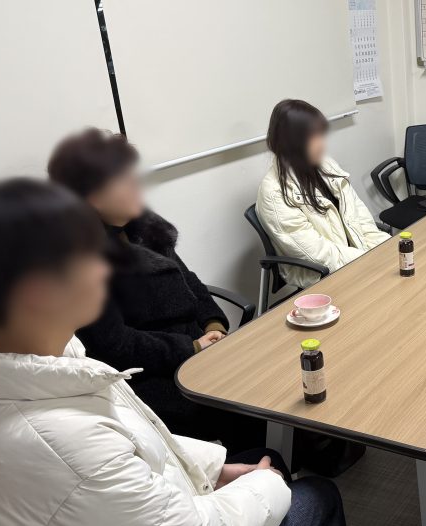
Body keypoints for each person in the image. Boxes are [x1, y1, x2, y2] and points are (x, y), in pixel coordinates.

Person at [0, 178, 346, 526]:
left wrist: (214, 468)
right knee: (317, 496)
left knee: (263, 454)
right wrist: (266, 486)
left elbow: (134, 446)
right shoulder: (70, 443)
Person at [48, 128, 268, 451]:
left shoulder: (143, 227)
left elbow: (190, 280)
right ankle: (245, 467)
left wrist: (213, 325)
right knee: (243, 403)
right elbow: (115, 345)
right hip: (152, 376)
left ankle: (266, 461)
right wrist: (191, 347)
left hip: (198, 351)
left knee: (261, 380)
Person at [257, 99, 390, 289]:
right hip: (324, 274)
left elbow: (360, 218)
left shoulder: (325, 164)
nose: (322, 143)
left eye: (321, 134)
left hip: (358, 258)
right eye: (313, 137)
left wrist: (387, 248)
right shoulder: (274, 193)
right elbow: (319, 254)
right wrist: (371, 260)